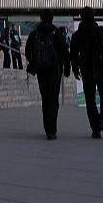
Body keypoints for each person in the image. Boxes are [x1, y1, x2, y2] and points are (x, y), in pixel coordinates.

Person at [25, 9, 70, 140]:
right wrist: (67, 68)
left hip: (41, 70)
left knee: (45, 99)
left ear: (41, 18)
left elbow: (28, 51)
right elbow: (64, 52)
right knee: (53, 99)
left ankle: (47, 128)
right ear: (52, 18)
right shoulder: (56, 33)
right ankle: (52, 130)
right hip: (54, 70)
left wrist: (35, 62)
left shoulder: (34, 33)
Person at [69, 7, 103, 138]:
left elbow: (73, 54)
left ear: (81, 17)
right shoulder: (101, 31)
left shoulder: (78, 35)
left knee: (90, 98)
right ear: (93, 16)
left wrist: (75, 70)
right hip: (101, 69)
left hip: (87, 69)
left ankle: (95, 128)